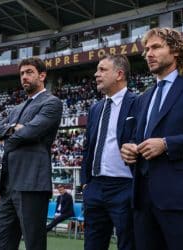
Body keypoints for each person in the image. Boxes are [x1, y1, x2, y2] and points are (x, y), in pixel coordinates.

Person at [121, 27, 183, 250]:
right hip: (143, 199)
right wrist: (128, 149)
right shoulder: (144, 97)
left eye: (156, 47)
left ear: (175, 50)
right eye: (146, 49)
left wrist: (166, 144)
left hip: (180, 199)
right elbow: (138, 138)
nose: (149, 54)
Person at [0, 57, 63, 250]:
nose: (24, 77)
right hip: (9, 185)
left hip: (32, 183)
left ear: (42, 75)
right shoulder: (17, 109)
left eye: (29, 72)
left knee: (33, 243)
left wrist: (11, 132)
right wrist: (14, 129)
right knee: (1, 244)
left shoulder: (52, 102)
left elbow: (30, 132)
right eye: (21, 74)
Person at [81, 54, 136, 250]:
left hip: (125, 186)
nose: (96, 74)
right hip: (95, 186)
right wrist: (85, 182)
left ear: (119, 74)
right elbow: (88, 147)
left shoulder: (137, 102)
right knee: (93, 244)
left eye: (102, 70)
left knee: (128, 243)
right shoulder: (95, 108)